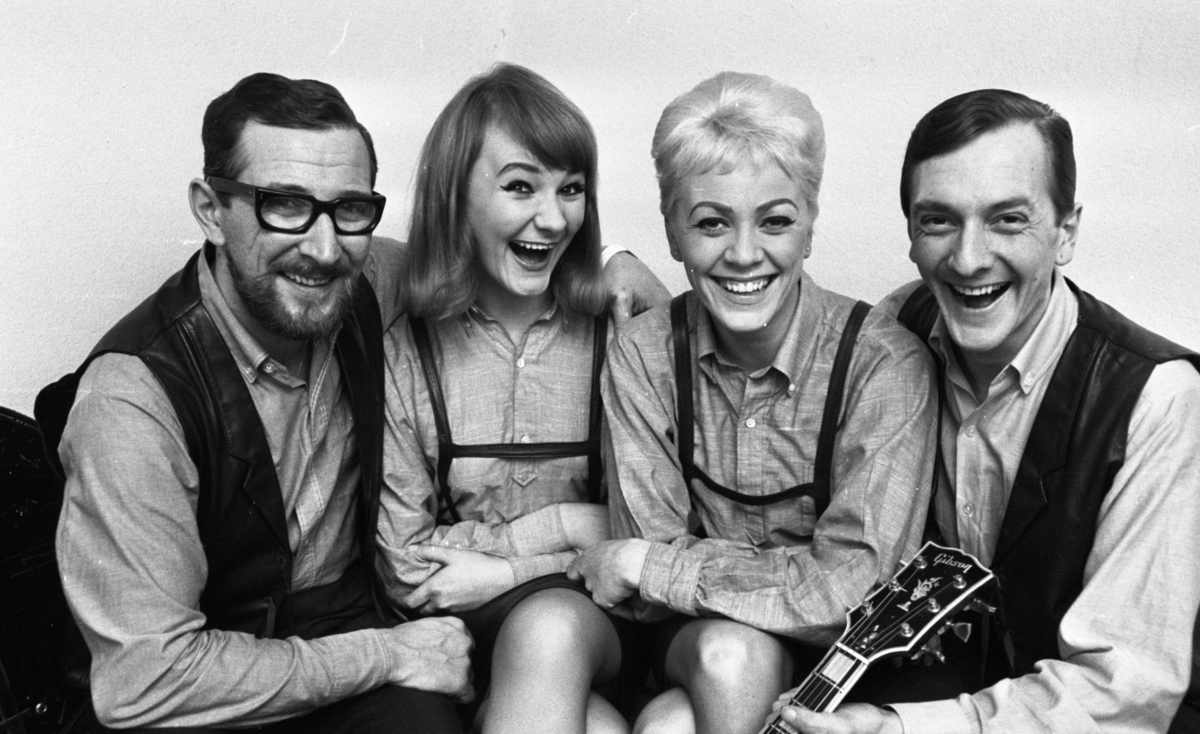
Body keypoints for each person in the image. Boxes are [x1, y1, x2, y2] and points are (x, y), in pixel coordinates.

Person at [32, 73, 476, 732]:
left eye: (350, 209)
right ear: (211, 210)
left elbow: (496, 261)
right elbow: (145, 680)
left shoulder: (364, 279)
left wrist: (613, 260)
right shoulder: (131, 399)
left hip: (337, 621)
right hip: (196, 680)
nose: (324, 249)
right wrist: (384, 655)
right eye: (285, 205)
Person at [774, 89, 1200, 733]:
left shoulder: (1156, 400)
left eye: (1007, 220)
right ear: (911, 234)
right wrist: (625, 269)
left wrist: (896, 728)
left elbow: (1122, 698)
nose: (969, 259)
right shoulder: (896, 333)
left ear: (1066, 233)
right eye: (939, 221)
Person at [567, 72, 937, 734]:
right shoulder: (644, 355)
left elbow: (857, 589)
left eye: (775, 221)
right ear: (672, 231)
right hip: (692, 645)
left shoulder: (883, 364)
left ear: (809, 227)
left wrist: (653, 565)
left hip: (844, 666)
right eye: (711, 223)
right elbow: (646, 581)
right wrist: (652, 563)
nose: (743, 255)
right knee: (730, 653)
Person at [376, 64, 634, 734]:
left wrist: (506, 567)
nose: (553, 218)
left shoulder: (620, 338)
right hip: (455, 642)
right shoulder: (407, 348)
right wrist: (577, 528)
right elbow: (408, 567)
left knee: (549, 628)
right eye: (521, 186)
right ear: (454, 196)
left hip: (596, 625)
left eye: (571, 189)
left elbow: (648, 539)